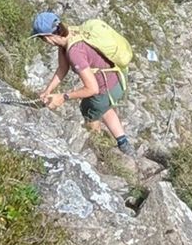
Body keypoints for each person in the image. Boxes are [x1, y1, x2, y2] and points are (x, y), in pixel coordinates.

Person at [32, 10, 135, 155]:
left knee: (89, 110)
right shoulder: (70, 34)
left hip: (105, 89)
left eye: (41, 39)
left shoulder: (74, 52)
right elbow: (62, 68)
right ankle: (123, 143)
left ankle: (99, 148)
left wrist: (63, 97)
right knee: (103, 108)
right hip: (117, 79)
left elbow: (92, 89)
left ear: (48, 37)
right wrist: (47, 91)